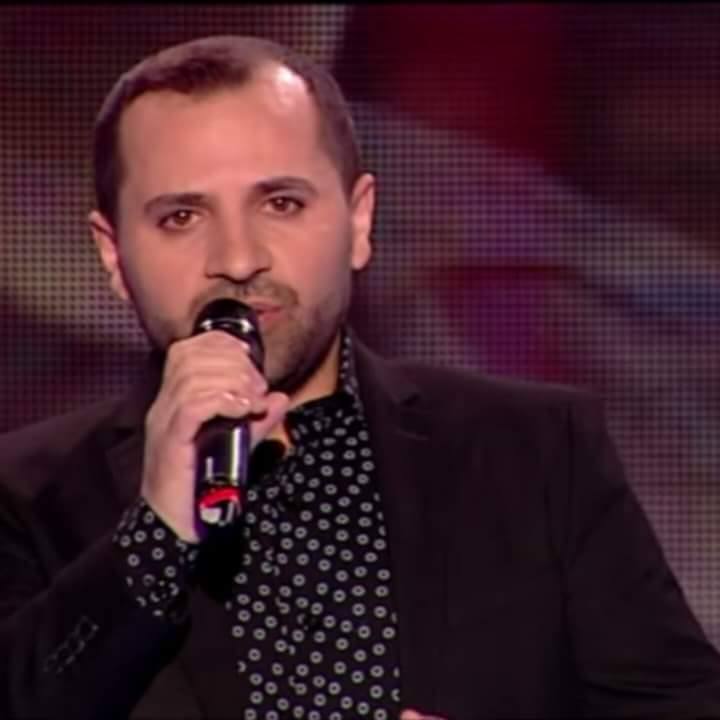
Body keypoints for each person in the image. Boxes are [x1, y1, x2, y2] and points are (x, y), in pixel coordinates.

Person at [0, 34, 719, 720]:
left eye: (281, 204)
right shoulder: (26, 496)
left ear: (360, 220)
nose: (239, 259)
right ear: (113, 256)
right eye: (182, 216)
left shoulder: (536, 450)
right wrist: (155, 536)